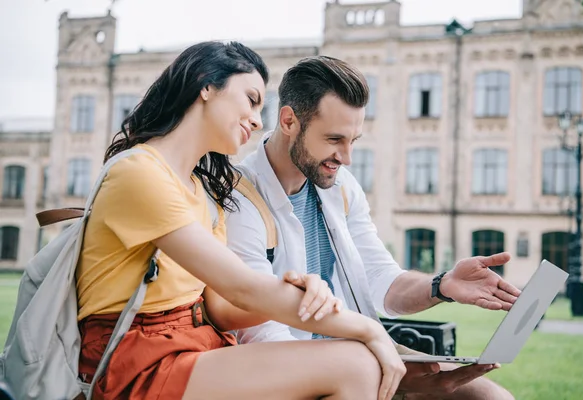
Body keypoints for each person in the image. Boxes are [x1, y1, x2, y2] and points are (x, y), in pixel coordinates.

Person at [76, 41, 407, 400]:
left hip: (197, 344)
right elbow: (242, 287)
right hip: (137, 361)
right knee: (354, 362)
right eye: (251, 99)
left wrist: (294, 289)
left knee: (354, 362)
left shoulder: (203, 192)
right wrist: (367, 330)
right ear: (205, 86)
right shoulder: (139, 171)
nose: (257, 119)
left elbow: (224, 307)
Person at [225, 55, 520, 399]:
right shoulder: (240, 199)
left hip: (368, 348)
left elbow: (383, 283)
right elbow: (263, 336)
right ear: (289, 120)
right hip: (301, 369)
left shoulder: (341, 185)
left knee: (492, 397)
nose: (346, 157)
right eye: (335, 139)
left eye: (354, 140)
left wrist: (442, 285)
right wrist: (377, 363)